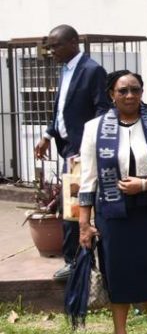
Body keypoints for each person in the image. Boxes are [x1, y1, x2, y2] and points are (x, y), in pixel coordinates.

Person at [77, 70, 147, 334]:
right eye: (122, 90)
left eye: (135, 89)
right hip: (113, 214)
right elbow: (88, 179)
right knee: (118, 274)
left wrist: (145, 184)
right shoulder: (94, 128)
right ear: (111, 94)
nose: (130, 95)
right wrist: (84, 224)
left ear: (142, 92)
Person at [33, 24, 110, 281]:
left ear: (74, 43)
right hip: (68, 150)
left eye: (56, 45)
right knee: (72, 208)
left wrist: (88, 148)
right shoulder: (65, 70)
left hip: (83, 153)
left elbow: (102, 110)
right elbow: (61, 109)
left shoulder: (92, 70)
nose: (52, 51)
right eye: (49, 47)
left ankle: (77, 263)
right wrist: (47, 136)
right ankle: (76, 262)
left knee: (76, 208)